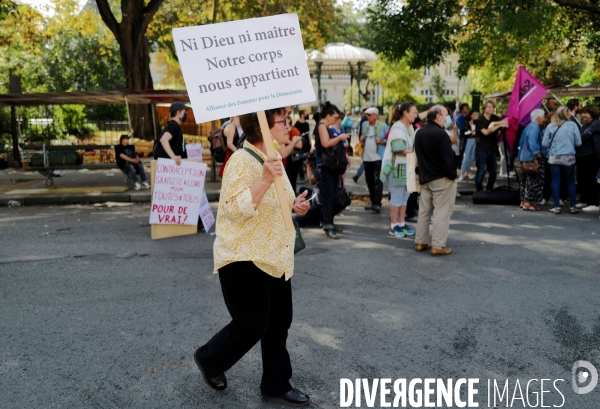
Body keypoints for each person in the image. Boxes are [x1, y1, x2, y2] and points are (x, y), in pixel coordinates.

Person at [194, 107, 311, 406]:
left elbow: (279, 202)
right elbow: (232, 211)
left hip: (274, 256)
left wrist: (295, 205)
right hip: (244, 257)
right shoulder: (240, 161)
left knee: (279, 322)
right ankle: (209, 359)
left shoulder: (273, 159)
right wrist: (263, 180)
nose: (288, 126)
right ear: (262, 127)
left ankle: (276, 383)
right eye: (282, 121)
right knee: (251, 325)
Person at [414, 105, 457, 256]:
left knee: (424, 212)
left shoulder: (419, 132)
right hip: (441, 178)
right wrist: (452, 175)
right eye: (445, 115)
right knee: (441, 212)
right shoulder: (441, 134)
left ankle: (421, 241)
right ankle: (438, 245)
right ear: (438, 117)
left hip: (426, 177)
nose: (447, 118)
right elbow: (448, 159)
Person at [381, 102, 418, 238]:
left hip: (407, 166)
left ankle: (402, 223)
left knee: (405, 198)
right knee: (397, 198)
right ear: (405, 113)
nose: (416, 115)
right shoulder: (397, 128)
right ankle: (394, 225)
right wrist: (416, 152)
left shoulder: (409, 127)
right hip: (397, 167)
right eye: (413, 112)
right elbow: (398, 150)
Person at [315, 102, 349, 239]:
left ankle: (326, 222)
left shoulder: (323, 126)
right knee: (330, 196)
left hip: (327, 166)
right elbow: (326, 143)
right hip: (326, 166)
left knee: (329, 195)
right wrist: (340, 137)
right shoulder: (322, 126)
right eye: (335, 117)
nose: (336, 120)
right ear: (328, 116)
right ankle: (328, 224)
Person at [542, 106, 582, 214]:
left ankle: (557, 207)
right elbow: (578, 142)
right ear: (567, 114)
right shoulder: (573, 125)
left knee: (555, 181)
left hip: (555, 157)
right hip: (569, 157)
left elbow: (544, 143)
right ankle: (572, 207)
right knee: (570, 181)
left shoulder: (550, 126)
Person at [360, 107, 389, 212]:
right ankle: (373, 201)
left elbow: (389, 140)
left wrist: (381, 141)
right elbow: (361, 137)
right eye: (367, 115)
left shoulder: (383, 126)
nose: (367, 116)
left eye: (370, 114)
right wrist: (361, 139)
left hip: (378, 157)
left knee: (378, 180)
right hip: (367, 157)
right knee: (369, 180)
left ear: (376, 115)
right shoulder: (364, 125)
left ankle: (377, 203)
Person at [474, 101, 506, 192]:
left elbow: (505, 123)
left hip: (492, 149)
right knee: (481, 172)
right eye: (488, 107)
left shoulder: (494, 118)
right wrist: (496, 125)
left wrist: (494, 125)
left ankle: (489, 190)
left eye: (492, 106)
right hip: (481, 149)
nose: (490, 108)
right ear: (484, 108)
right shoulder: (479, 120)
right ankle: (479, 191)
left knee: (493, 172)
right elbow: (486, 132)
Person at [518, 109, 546, 211]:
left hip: (523, 156)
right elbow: (533, 142)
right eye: (543, 117)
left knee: (525, 180)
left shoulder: (528, 127)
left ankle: (523, 201)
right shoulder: (535, 128)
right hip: (530, 157)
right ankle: (527, 203)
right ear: (538, 118)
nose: (544, 119)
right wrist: (537, 153)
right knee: (532, 181)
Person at [575, 104, 600, 212]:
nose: (583, 115)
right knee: (582, 179)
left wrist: (577, 138)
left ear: (591, 113)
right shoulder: (586, 125)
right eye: (583, 113)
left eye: (586, 113)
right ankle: (585, 200)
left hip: (591, 155)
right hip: (582, 155)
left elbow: (584, 136)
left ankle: (594, 203)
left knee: (591, 179)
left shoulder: (596, 124)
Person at [459, 111, 478, 180]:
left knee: (472, 157)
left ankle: (467, 172)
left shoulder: (477, 123)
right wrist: (471, 132)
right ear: (471, 116)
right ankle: (462, 173)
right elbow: (465, 133)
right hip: (469, 140)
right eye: (474, 114)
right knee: (466, 157)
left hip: (475, 140)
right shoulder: (467, 123)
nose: (475, 115)